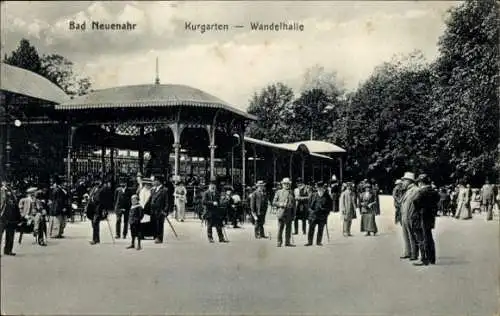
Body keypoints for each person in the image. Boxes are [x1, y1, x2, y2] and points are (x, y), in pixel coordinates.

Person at [411, 174, 440, 266]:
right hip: (430, 216)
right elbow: (437, 200)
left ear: (421, 182)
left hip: (421, 216)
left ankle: (424, 259)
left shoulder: (422, 191)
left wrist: (420, 209)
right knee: (429, 237)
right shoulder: (434, 192)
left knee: (422, 238)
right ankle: (432, 258)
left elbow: (415, 201)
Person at [399, 172, 420, 260]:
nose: (403, 182)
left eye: (404, 181)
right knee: (405, 235)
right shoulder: (407, 190)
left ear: (409, 181)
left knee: (412, 235)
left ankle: (414, 253)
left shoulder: (415, 190)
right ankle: (408, 251)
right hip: (405, 215)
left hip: (410, 215)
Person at [306, 181, 332, 246]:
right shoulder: (313, 195)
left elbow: (330, 207)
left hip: (322, 216)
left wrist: (325, 212)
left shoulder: (327, 196)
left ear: (324, 188)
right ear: (317, 188)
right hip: (313, 215)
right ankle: (310, 242)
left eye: (321, 187)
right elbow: (308, 206)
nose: (320, 189)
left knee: (320, 229)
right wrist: (311, 212)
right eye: (318, 187)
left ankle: (318, 242)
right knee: (311, 229)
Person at [272, 177, 296, 247]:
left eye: (288, 184)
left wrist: (294, 214)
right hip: (281, 213)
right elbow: (274, 202)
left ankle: (287, 242)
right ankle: (279, 242)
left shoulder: (292, 192)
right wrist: (281, 204)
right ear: (282, 184)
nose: (287, 185)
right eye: (285, 184)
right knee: (280, 228)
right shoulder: (278, 192)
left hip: (289, 213)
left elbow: (294, 204)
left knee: (288, 228)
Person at [0, 179, 21, 256]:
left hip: (11, 216)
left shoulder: (12, 193)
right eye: (6, 182)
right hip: (2, 216)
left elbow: (15, 204)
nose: (8, 185)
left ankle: (8, 250)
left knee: (10, 234)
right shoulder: (2, 191)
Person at [148, 175, 169, 244]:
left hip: (160, 210)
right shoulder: (153, 190)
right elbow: (150, 200)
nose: (153, 182)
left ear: (158, 181)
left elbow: (167, 202)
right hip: (153, 210)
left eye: (154, 181)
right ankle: (155, 236)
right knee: (154, 223)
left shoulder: (164, 190)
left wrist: (165, 211)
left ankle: (159, 238)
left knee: (160, 224)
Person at [86, 179, 105, 245]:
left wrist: (104, 209)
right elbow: (90, 198)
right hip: (92, 209)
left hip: (98, 209)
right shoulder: (93, 189)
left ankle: (94, 239)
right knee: (94, 224)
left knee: (95, 223)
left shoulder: (102, 190)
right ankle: (97, 239)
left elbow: (103, 200)